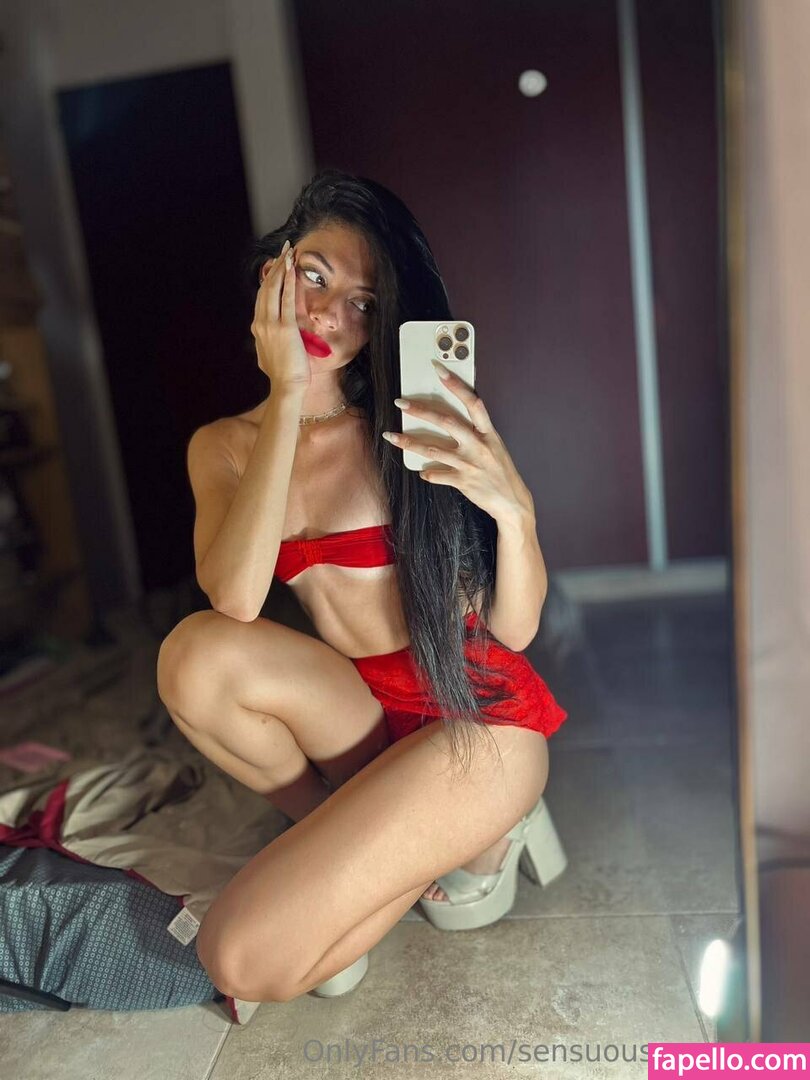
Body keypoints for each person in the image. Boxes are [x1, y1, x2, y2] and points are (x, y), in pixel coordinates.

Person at [156, 169, 568, 1004]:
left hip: (474, 715)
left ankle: (479, 822)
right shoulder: (224, 446)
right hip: (359, 708)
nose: (327, 315)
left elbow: (515, 631)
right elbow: (235, 598)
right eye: (314, 277)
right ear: (275, 272)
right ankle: (346, 831)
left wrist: (515, 512)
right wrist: (286, 394)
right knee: (194, 654)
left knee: (244, 956)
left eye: (363, 303)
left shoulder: (409, 422)